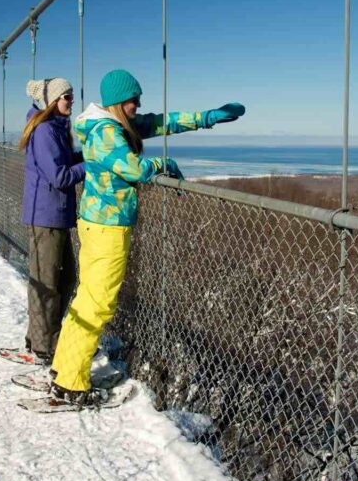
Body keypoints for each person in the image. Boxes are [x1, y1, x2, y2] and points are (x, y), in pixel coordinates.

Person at [50, 68, 245, 405]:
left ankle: (63, 369)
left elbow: (161, 122)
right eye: (133, 101)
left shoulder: (111, 123)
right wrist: (162, 164)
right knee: (98, 304)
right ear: (116, 103)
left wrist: (208, 117)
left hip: (97, 223)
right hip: (108, 228)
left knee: (87, 299)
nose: (138, 106)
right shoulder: (106, 132)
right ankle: (72, 383)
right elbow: (132, 168)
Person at [19, 77, 85, 364]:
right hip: (45, 217)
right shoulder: (46, 131)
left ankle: (44, 337)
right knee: (47, 283)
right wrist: (92, 165)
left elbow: (66, 162)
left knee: (65, 278)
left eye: (71, 97)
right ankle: (44, 346)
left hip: (57, 216)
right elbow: (59, 176)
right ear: (52, 102)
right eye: (66, 97)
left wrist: (90, 154)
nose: (71, 101)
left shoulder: (57, 129)